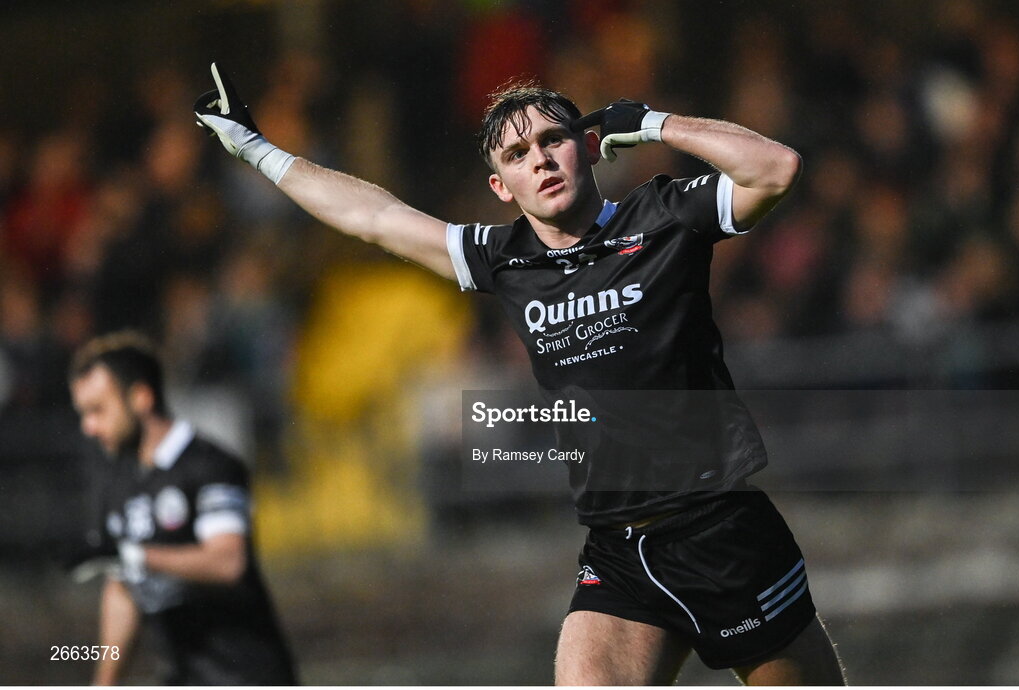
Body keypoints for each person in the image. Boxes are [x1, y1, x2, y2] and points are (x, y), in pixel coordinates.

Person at [195, 63, 845, 685]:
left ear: (588, 148)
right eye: (516, 154)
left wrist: (656, 123)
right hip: (618, 551)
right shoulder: (504, 259)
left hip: (720, 531)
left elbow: (777, 169)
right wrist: (257, 150)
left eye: (553, 139)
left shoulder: (663, 215)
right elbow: (373, 217)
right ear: (502, 187)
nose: (539, 159)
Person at [68, 330, 297, 685]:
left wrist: (135, 555)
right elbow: (122, 591)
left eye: (98, 410)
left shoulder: (209, 466)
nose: (89, 427)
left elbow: (228, 561)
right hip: (180, 677)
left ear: (141, 398)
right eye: (83, 414)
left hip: (244, 677)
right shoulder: (117, 483)